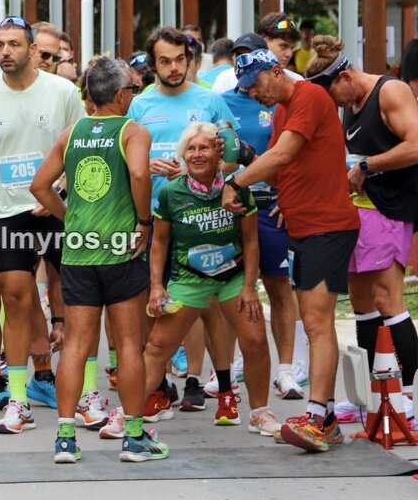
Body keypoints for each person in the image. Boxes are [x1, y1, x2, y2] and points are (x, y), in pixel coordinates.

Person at [223, 48, 360, 452]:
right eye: (245, 89)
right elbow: (287, 165)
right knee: (311, 319)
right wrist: (288, 197)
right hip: (303, 226)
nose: (253, 94)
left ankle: (318, 417)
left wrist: (237, 182)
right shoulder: (284, 109)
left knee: (317, 322)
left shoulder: (309, 96)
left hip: (327, 228)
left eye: (256, 84)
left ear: (277, 70)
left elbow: (281, 155)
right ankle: (328, 419)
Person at [30, 56, 166, 462]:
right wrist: (143, 222)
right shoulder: (132, 130)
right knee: (128, 344)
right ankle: (135, 436)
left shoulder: (72, 133)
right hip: (121, 248)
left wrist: (69, 217)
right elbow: (141, 175)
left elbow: (39, 185)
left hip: (78, 251)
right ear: (121, 94)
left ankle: (66, 439)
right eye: (133, 90)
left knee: (75, 345)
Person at [0, 16, 86, 434]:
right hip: (7, 211)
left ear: (33, 50)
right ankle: (18, 400)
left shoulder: (63, 91)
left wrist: (61, 191)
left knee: (77, 300)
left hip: (58, 209)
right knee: (14, 300)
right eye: (0, 44)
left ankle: (85, 395)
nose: (6, 52)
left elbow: (80, 146)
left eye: (15, 44)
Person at [305, 36, 418, 429]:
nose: (334, 104)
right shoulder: (349, 103)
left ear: (346, 75)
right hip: (359, 214)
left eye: (333, 94)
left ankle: (409, 396)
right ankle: (375, 394)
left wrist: (368, 167)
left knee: (389, 301)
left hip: (389, 210)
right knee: (362, 302)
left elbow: (416, 145)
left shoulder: (391, 91)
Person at [141, 123, 280, 436]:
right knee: (157, 347)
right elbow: (160, 242)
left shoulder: (237, 188)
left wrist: (249, 288)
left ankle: (260, 412)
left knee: (255, 339)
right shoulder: (170, 192)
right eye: (190, 149)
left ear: (219, 153)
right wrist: (156, 287)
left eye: (204, 147)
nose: (197, 154)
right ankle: (130, 413)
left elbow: (252, 241)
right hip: (189, 279)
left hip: (232, 277)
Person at [126, 26, 239, 413]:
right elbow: (127, 157)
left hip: (204, 219)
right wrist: (148, 164)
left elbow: (233, 158)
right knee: (155, 301)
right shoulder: (140, 105)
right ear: (152, 64)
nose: (174, 68)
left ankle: (202, 380)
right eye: (165, 61)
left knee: (206, 305)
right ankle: (157, 384)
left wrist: (197, 169)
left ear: (190, 60)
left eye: (180, 60)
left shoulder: (210, 100)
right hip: (155, 218)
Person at [220, 31, 306, 399]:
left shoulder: (287, 99)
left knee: (277, 285)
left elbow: (294, 156)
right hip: (233, 203)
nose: (254, 90)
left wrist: (289, 195)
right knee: (228, 287)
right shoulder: (221, 101)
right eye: (239, 59)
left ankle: (286, 369)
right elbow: (220, 155)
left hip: (272, 203)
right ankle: (231, 364)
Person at [212, 14, 302, 95]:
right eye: (283, 46)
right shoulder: (225, 80)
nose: (289, 54)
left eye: (292, 48)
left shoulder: (297, 81)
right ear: (264, 41)